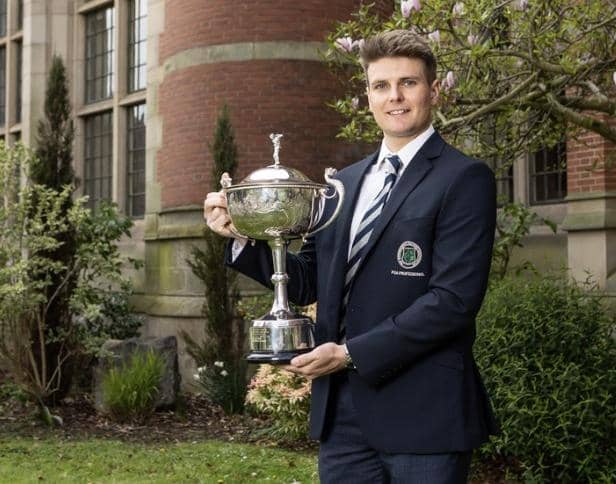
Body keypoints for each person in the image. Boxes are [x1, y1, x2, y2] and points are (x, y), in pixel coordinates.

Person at [204, 30, 498, 484]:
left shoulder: (465, 178)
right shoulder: (342, 183)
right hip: (342, 416)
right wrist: (243, 236)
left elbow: (453, 301)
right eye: (381, 85)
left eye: (408, 83)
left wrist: (349, 353)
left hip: (425, 415)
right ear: (367, 95)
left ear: (434, 91)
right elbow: (305, 281)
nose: (394, 97)